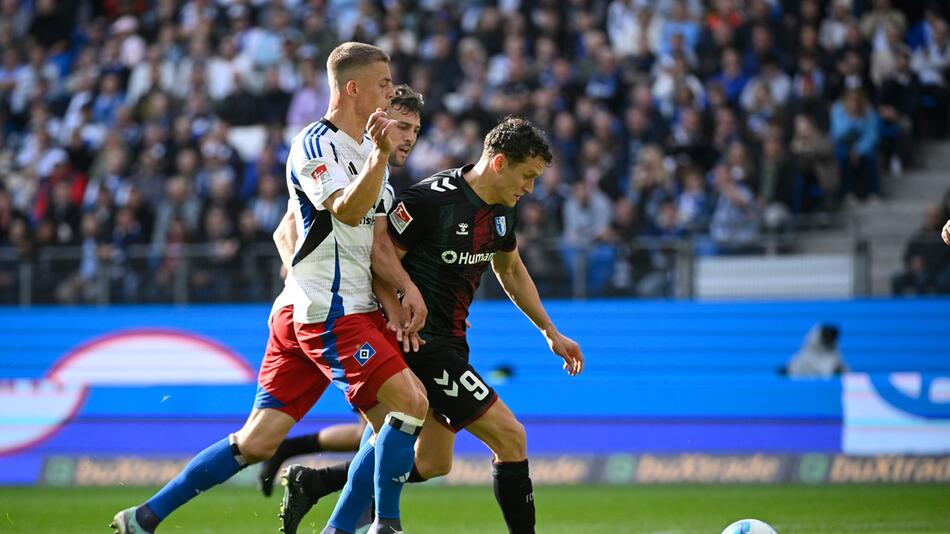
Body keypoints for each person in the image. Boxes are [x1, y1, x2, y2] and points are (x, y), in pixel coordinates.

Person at [110, 43, 429, 534]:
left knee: (258, 442)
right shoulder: (315, 144)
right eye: (384, 82)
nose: (391, 91)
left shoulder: (370, 155)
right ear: (354, 87)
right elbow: (343, 210)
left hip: (304, 307)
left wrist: (405, 288)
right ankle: (379, 526)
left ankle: (144, 517)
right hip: (331, 310)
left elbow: (332, 237)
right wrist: (379, 159)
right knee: (405, 410)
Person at [279, 117, 585, 534]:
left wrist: (550, 330)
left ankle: (316, 481)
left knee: (431, 463)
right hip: (422, 344)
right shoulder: (432, 201)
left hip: (453, 342)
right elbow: (380, 256)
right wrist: (397, 307)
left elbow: (510, 270)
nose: (529, 188)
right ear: (498, 163)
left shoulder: (501, 212)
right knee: (510, 438)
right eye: (526, 176)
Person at [257, 84, 425, 498]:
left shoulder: (375, 170)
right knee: (395, 424)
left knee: (383, 428)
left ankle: (304, 469)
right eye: (400, 125)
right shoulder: (333, 154)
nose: (407, 137)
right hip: (336, 311)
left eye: (415, 130)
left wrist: (397, 296)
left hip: (361, 310)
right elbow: (286, 230)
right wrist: (305, 275)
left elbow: (373, 248)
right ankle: (365, 516)